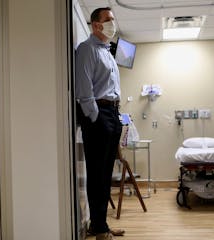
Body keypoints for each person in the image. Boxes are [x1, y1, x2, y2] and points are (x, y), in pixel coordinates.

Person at [75, 7, 124, 240]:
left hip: (112, 114)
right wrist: (95, 118)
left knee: (106, 175)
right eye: (108, 20)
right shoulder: (87, 49)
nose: (112, 24)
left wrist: (116, 118)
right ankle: (100, 228)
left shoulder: (107, 52)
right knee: (97, 174)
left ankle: (100, 224)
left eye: (112, 20)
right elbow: (84, 90)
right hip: (99, 115)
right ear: (96, 25)